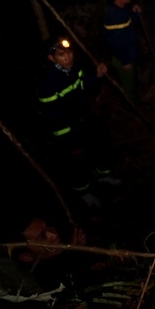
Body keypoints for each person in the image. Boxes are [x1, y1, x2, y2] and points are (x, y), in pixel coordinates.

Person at [36, 36, 118, 210]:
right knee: (76, 161)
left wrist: (96, 75)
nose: (68, 57)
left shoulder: (75, 68)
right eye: (61, 55)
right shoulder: (47, 83)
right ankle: (84, 193)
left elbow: (83, 86)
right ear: (51, 58)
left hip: (82, 117)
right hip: (65, 128)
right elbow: (50, 114)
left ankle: (103, 175)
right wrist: (70, 133)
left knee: (100, 141)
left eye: (69, 52)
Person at [103, 0, 141, 102]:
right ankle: (133, 109)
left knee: (132, 82)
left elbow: (129, 25)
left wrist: (134, 13)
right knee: (128, 86)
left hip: (129, 54)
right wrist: (125, 61)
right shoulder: (114, 16)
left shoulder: (122, 11)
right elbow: (115, 43)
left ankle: (136, 101)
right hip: (123, 58)